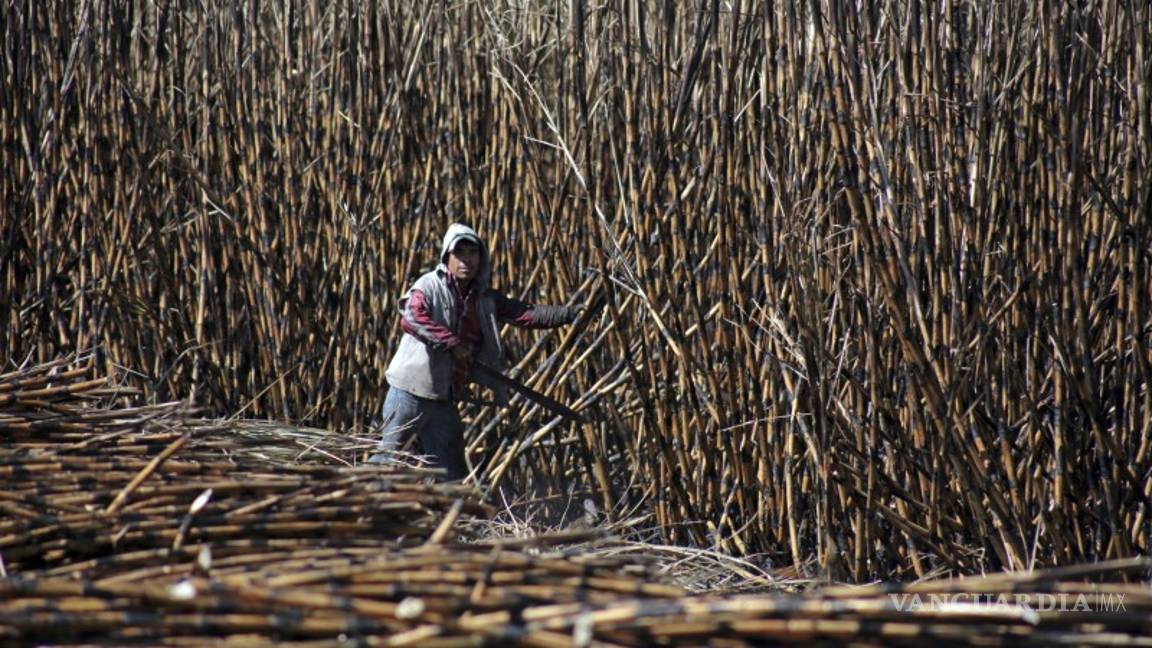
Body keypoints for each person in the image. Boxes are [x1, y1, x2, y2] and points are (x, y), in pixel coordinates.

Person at [368, 223, 580, 479]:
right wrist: (452, 343)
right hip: (409, 390)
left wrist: (569, 314)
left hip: (442, 395)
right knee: (388, 456)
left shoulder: (483, 297)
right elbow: (411, 316)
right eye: (460, 254)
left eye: (473, 253)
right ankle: (356, 504)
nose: (467, 260)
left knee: (451, 469)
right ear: (448, 256)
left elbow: (523, 313)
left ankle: (450, 516)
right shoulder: (429, 286)